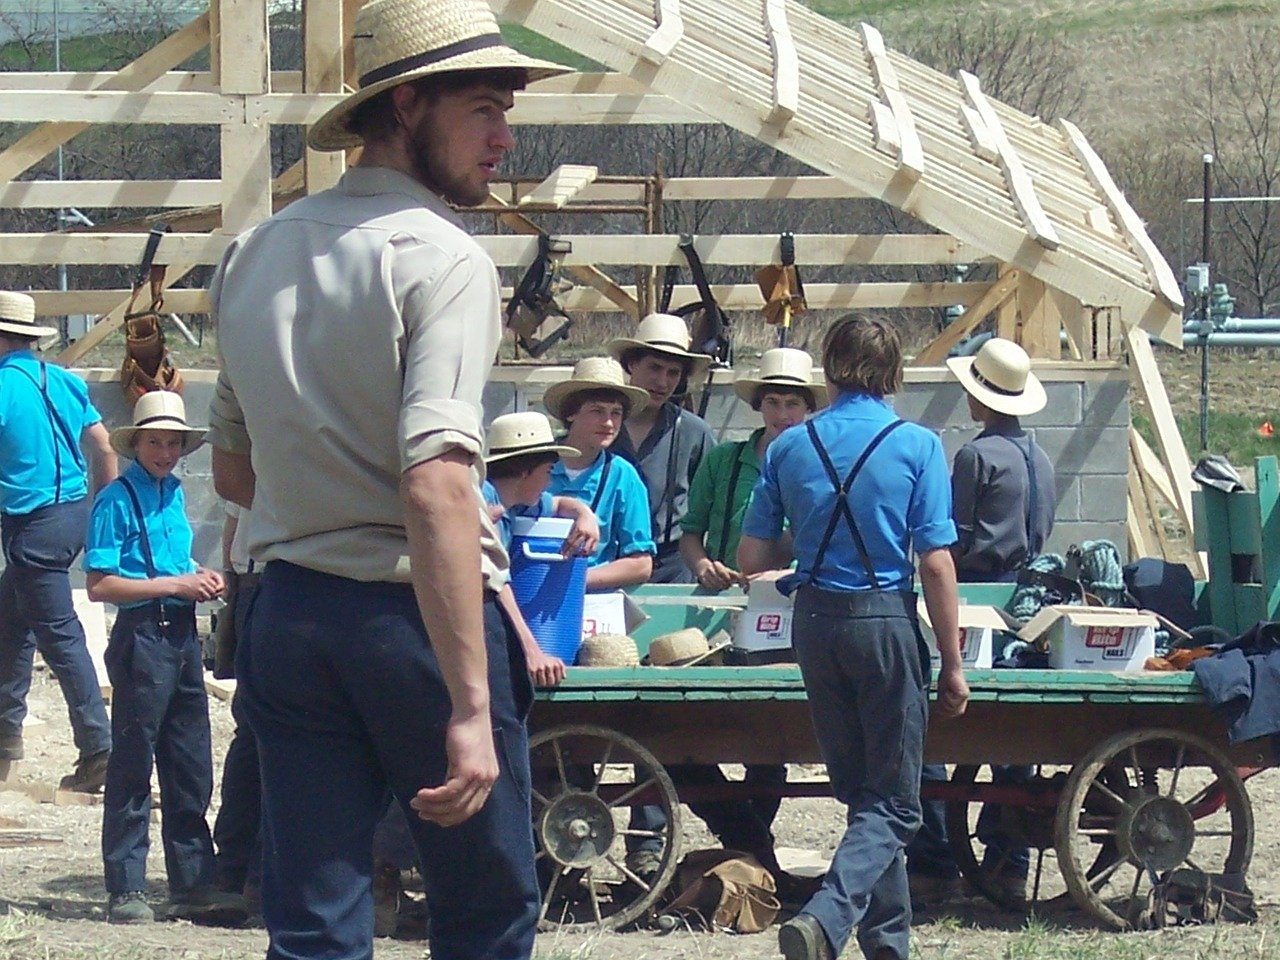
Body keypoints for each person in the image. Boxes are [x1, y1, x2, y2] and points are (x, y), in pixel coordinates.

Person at [205, 0, 573, 956]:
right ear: (409, 105)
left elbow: (237, 474)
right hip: (419, 617)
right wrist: (468, 704)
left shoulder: (253, 252)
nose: (505, 138)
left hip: (288, 614)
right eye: (485, 108)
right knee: (484, 909)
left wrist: (320, 492)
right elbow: (439, 487)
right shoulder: (441, 257)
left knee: (313, 920)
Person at [738, 315, 970, 960]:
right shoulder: (917, 444)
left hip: (814, 623)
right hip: (884, 621)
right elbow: (935, 562)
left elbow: (753, 556)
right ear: (894, 369)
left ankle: (887, 946)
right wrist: (953, 663)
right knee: (897, 803)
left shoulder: (787, 446)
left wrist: (814, 536)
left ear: (830, 367)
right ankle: (827, 916)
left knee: (865, 796)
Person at [662, 347, 825, 887]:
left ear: (808, 409)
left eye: (792, 403)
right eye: (773, 402)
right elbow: (692, 530)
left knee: (770, 738)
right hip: (715, 614)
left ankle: (751, 849)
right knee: (683, 734)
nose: (781, 414)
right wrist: (702, 563)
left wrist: (787, 573)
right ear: (760, 406)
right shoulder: (725, 460)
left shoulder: (820, 464)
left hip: (787, 614)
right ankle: (753, 845)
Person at [911, 337, 1056, 903]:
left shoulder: (975, 457)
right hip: (1027, 598)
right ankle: (1008, 857)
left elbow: (954, 539)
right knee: (1011, 741)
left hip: (974, 599)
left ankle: (935, 858)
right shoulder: (1038, 457)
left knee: (934, 734)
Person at [83, 390, 237, 925]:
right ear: (136, 444)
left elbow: (175, 559)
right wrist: (176, 583)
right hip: (143, 635)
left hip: (181, 636)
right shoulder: (115, 499)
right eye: (155, 442)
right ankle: (124, 887)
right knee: (133, 762)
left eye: (173, 443)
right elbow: (100, 584)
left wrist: (201, 574)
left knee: (190, 759)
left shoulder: (172, 494)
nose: (166, 452)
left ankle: (193, 883)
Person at [0, 290, 115, 792]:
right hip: (73, 514)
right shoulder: (62, 380)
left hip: (34, 527)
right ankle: (6, 733)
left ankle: (99, 749)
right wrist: (105, 514)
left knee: (60, 638)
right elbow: (106, 449)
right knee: (10, 620)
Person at [482, 410, 601, 686]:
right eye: (547, 472)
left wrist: (585, 514)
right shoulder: (486, 504)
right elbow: (494, 583)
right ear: (524, 471)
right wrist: (532, 651)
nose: (549, 481)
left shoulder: (515, 503)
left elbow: (558, 503)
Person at [607, 313, 715, 583]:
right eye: (654, 368)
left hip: (673, 566)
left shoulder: (695, 433)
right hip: (606, 561)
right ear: (632, 364)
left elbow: (712, 503)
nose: (663, 382)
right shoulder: (601, 426)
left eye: (673, 373)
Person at [543, 357, 655, 590]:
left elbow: (641, 564)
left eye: (616, 413)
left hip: (593, 604)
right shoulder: (533, 463)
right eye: (597, 411)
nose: (608, 423)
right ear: (571, 413)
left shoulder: (624, 476)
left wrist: (574, 581)